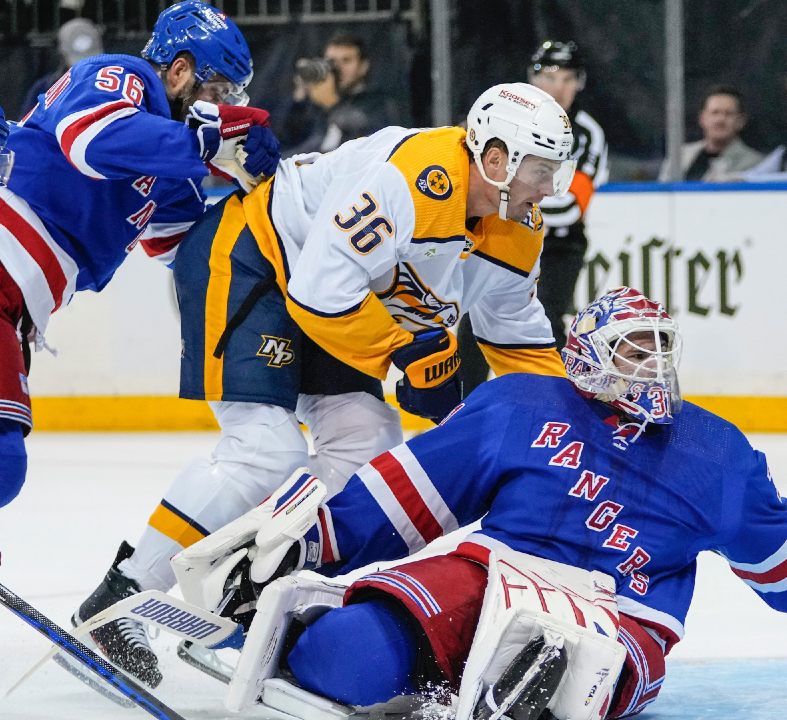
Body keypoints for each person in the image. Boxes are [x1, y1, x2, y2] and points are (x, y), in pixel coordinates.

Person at [174, 287, 787, 717]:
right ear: (588, 356)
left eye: (661, 351)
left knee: (560, 681)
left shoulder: (717, 452)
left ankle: (486, 691)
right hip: (490, 571)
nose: (652, 368)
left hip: (618, 618)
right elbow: (406, 495)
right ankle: (288, 632)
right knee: (337, 663)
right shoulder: (521, 404)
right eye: (634, 351)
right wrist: (311, 541)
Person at [73, 82, 575, 689]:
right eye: (541, 169)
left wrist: (565, 420)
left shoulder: (517, 224)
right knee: (263, 448)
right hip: (255, 256)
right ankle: (119, 597)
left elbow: (515, 332)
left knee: (366, 446)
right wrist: (405, 357)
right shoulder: (414, 178)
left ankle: (248, 582)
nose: (551, 187)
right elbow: (318, 291)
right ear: (496, 159)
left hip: (335, 295)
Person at [0, 0, 276, 512]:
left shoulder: (170, 166)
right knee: (3, 462)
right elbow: (92, 141)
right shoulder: (116, 74)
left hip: (16, 302)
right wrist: (212, 141)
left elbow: (193, 250)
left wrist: (278, 215)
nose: (219, 108)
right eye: (216, 94)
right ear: (179, 71)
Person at [457, 41, 609, 395]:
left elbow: (572, 207)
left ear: (580, 83)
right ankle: (457, 411)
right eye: (549, 76)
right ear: (532, 79)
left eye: (568, 78)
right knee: (473, 325)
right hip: (498, 233)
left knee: (546, 322)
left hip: (557, 247)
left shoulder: (587, 133)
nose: (558, 87)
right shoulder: (506, 119)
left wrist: (506, 201)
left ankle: (552, 407)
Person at [278, 33, 399, 155]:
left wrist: (333, 104)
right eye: (331, 62)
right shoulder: (317, 103)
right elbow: (286, 137)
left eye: (346, 61)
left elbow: (364, 138)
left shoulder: (378, 103)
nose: (337, 68)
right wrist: (300, 96)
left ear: (363, 66)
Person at [659, 85, 764, 181]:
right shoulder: (680, 156)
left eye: (728, 114)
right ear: (702, 118)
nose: (720, 120)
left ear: (740, 121)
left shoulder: (754, 164)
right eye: (715, 113)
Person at [19, 18, 103, 116]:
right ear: (62, 55)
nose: (85, 71)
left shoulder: (119, 84)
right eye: (78, 66)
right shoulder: (44, 89)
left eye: (91, 63)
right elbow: (25, 127)